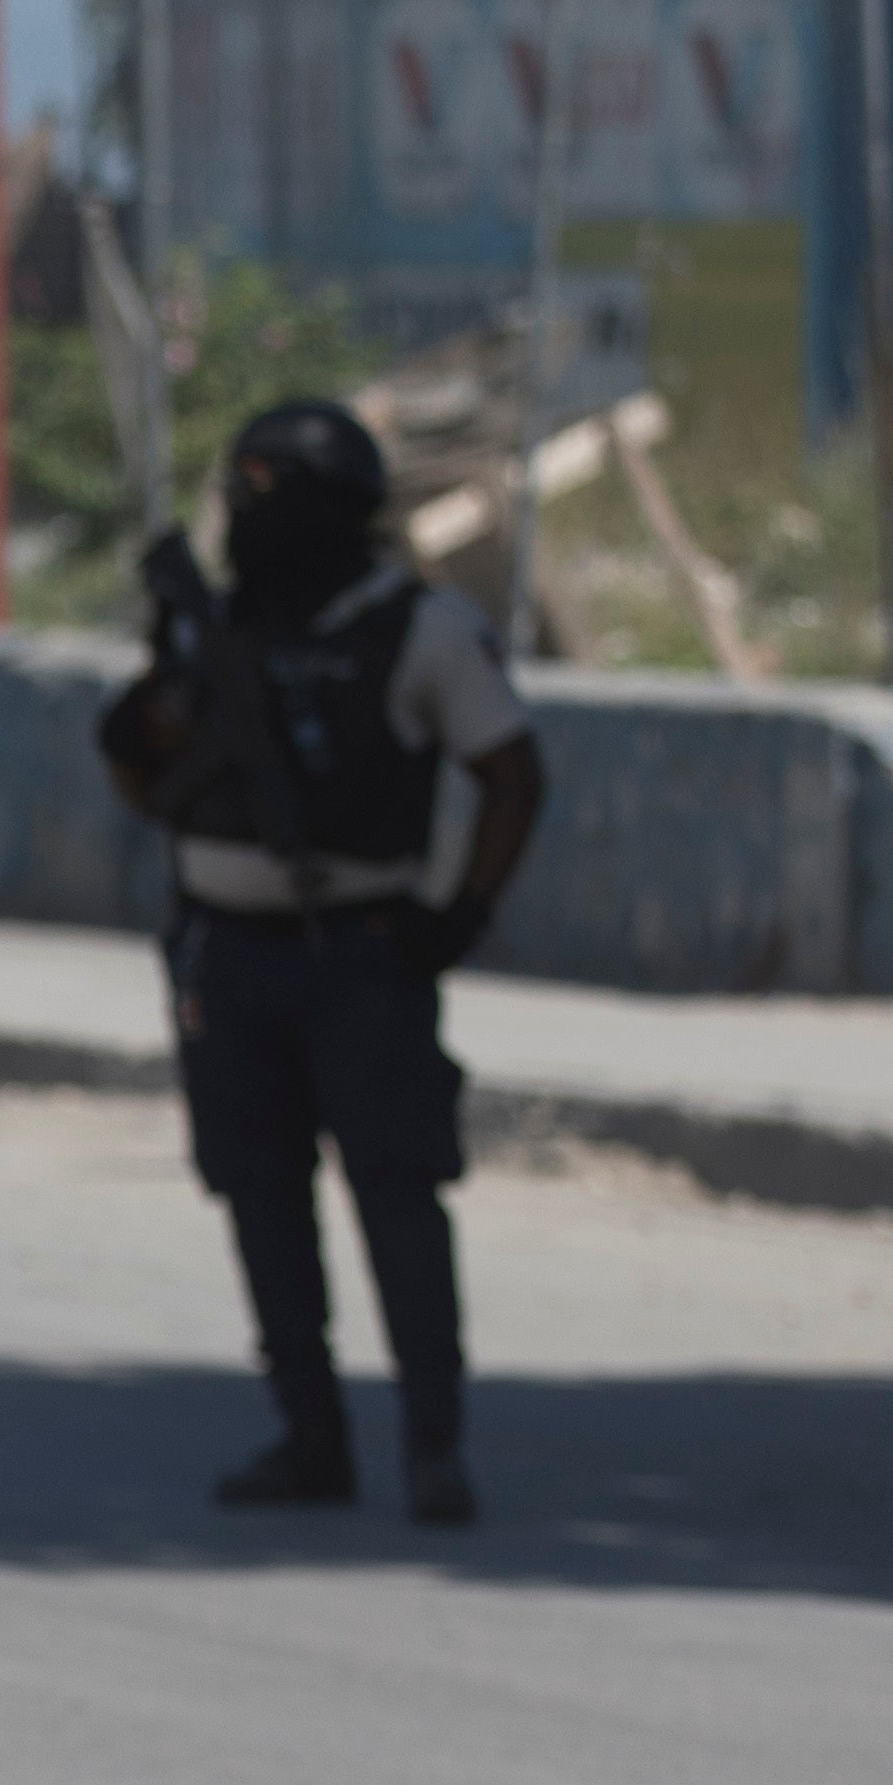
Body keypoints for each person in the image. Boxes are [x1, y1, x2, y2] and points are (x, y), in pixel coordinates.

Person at [98, 400, 544, 1528]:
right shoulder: (210, 628)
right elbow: (148, 783)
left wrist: (458, 917)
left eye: (273, 494)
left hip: (361, 955)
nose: (250, 518)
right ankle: (309, 1437)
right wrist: (166, 706)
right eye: (238, 491)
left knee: (398, 1197)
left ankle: (434, 1448)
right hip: (228, 955)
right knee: (259, 1198)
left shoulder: (421, 629)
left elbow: (512, 774)